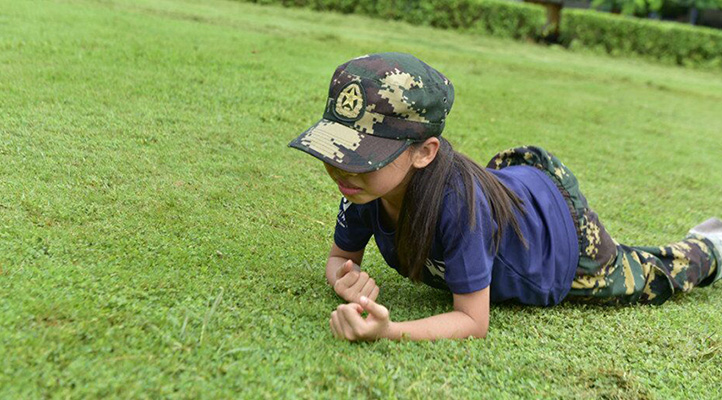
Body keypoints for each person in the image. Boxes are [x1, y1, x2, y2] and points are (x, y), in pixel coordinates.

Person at [288, 52, 722, 342]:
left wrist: (391, 330)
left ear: (424, 153)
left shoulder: (457, 206)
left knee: (651, 277)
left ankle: (712, 244)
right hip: (507, 189)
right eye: (336, 149)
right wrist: (342, 278)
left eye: (363, 156)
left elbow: (474, 322)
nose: (342, 167)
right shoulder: (362, 187)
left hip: (561, 235)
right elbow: (339, 258)